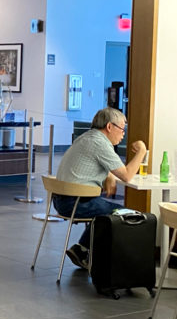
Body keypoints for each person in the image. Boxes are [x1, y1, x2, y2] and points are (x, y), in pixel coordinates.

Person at [54, 106, 147, 269]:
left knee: (105, 210)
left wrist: (110, 175)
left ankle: (82, 250)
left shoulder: (86, 137)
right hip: (77, 202)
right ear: (110, 127)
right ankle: (120, 264)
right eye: (122, 129)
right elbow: (126, 175)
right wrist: (142, 151)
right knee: (127, 214)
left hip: (61, 200)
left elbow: (99, 163)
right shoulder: (100, 143)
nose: (123, 134)